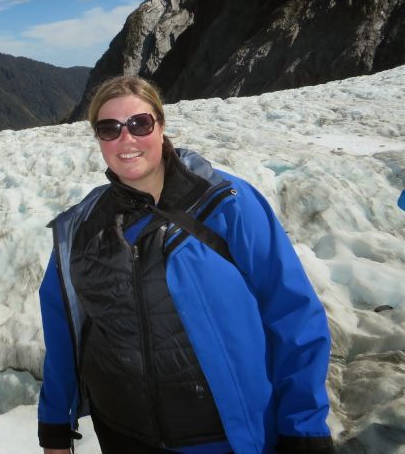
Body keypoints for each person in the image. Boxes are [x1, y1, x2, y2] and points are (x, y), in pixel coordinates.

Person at [37, 76, 334, 454]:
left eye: (139, 124)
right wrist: (54, 426)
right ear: (98, 138)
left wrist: (303, 430)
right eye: (109, 128)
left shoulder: (226, 204)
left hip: (224, 439)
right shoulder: (80, 226)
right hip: (122, 435)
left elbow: (292, 314)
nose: (125, 139)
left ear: (160, 126)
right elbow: (63, 332)